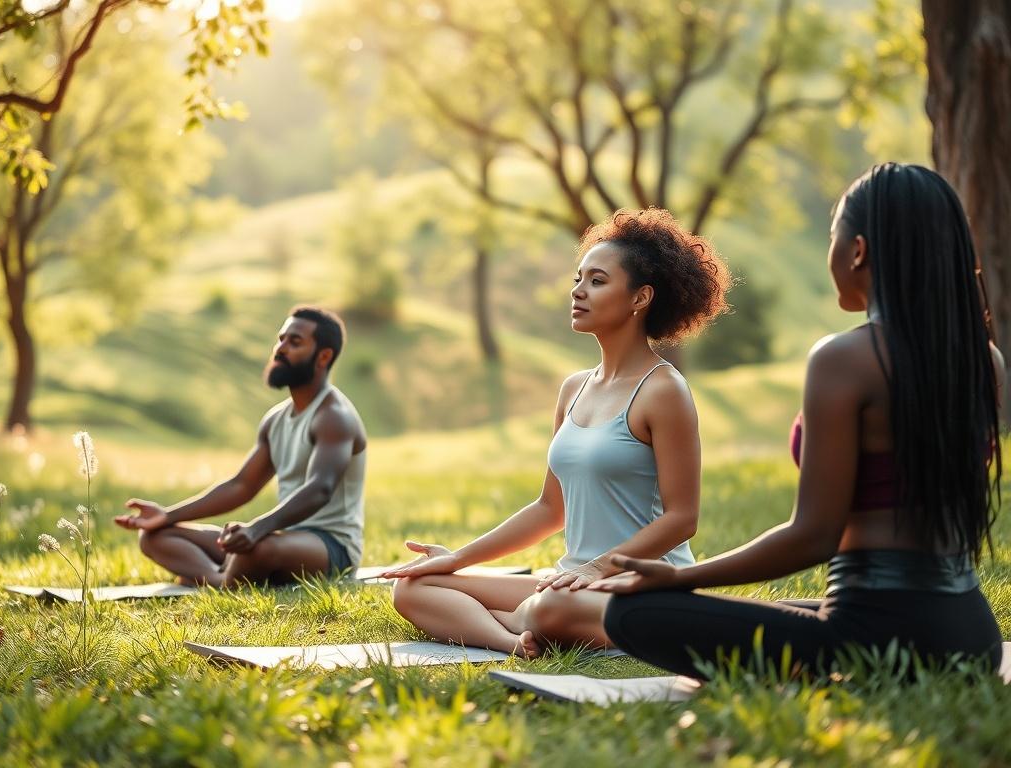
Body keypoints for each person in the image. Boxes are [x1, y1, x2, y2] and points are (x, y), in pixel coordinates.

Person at [592, 163, 1005, 678]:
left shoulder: (844, 360)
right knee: (766, 614)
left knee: (633, 612)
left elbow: (813, 536)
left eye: (833, 237)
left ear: (857, 251)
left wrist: (681, 578)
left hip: (873, 641)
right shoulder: (986, 360)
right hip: (970, 634)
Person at [384, 208, 730, 657]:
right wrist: (458, 558)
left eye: (597, 281)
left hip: (637, 586)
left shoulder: (664, 390)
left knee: (550, 607)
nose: (578, 291)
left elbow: (682, 518)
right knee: (415, 587)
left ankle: (515, 620)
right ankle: (511, 640)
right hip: (569, 584)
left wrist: (597, 569)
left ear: (640, 298)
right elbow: (550, 508)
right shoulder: (574, 389)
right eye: (578, 278)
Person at [114, 306, 368, 588]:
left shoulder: (334, 416)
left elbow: (320, 489)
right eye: (280, 339)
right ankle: (220, 576)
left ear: (324, 356)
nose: (280, 349)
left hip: (331, 547)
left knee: (257, 548)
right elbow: (241, 486)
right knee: (154, 536)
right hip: (283, 537)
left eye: (294, 342)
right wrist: (167, 515)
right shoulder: (276, 419)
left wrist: (257, 529)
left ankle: (214, 578)